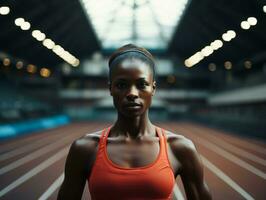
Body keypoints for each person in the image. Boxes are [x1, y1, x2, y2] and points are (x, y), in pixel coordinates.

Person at [57, 44, 212, 200]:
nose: (132, 93)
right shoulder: (85, 149)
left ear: (153, 88)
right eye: (121, 85)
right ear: (110, 89)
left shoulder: (180, 148)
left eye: (141, 84)